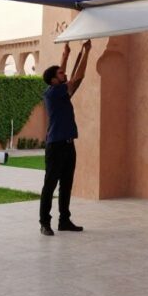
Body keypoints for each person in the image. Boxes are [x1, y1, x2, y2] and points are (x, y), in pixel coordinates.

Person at [38, 39, 91, 236]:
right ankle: (44, 222)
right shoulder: (54, 92)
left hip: (69, 145)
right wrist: (86, 53)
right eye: (60, 74)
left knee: (66, 184)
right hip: (56, 146)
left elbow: (66, 74)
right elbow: (79, 76)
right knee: (50, 185)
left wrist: (66, 54)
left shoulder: (59, 91)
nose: (64, 73)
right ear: (53, 80)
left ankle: (64, 220)